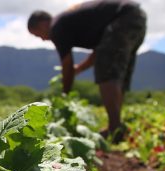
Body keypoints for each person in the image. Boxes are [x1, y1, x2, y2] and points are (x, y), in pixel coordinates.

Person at [28, 0, 146, 142]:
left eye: (37, 34)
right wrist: (79, 69)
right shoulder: (67, 21)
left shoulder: (56, 27)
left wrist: (65, 94)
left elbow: (67, 64)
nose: (41, 39)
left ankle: (115, 128)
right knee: (116, 73)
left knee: (107, 75)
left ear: (42, 24)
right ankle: (116, 126)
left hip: (124, 18)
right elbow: (100, 52)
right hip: (135, 16)